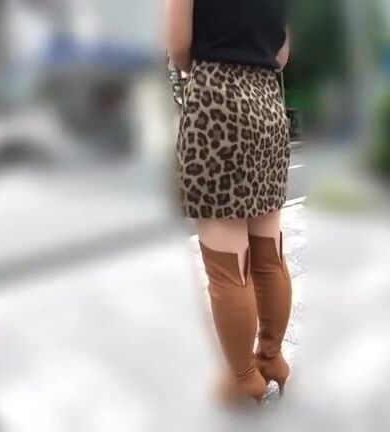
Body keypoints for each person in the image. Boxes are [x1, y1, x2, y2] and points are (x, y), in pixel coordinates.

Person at [166, 0, 293, 407]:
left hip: (216, 103)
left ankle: (243, 380)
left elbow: (179, 46)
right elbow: (281, 54)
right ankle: (272, 359)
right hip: (268, 102)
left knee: (228, 267)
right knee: (269, 254)